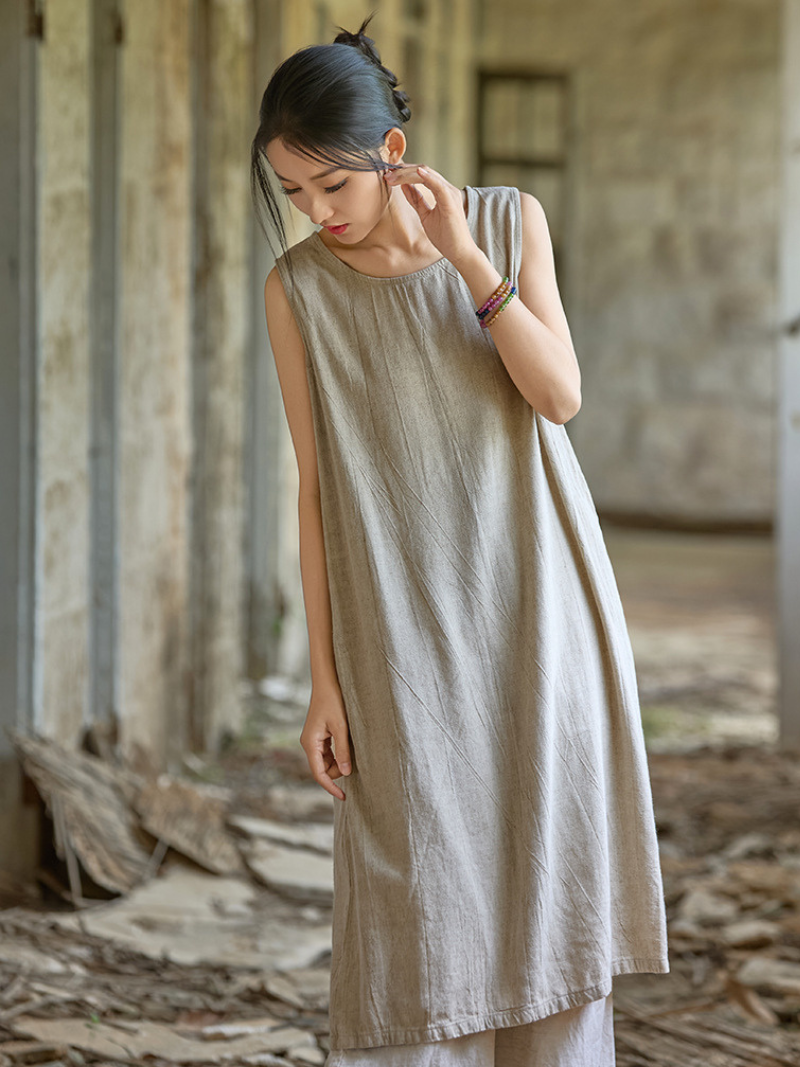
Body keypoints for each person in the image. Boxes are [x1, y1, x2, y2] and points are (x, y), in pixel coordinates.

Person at [251, 11, 670, 1066]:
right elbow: (314, 487)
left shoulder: (506, 219)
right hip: (396, 631)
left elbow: (557, 394)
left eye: (330, 186)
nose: (315, 212)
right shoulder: (296, 291)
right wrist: (324, 681)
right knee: (414, 895)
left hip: (539, 606)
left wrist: (467, 261)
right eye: (293, 193)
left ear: (390, 154)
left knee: (545, 872)